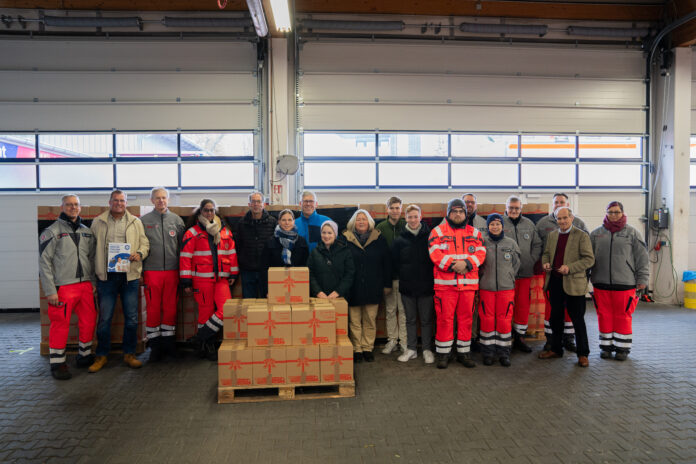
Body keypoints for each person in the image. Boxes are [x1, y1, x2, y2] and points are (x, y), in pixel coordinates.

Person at [89, 190, 149, 373]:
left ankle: (129, 354)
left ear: (126, 202)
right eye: (115, 200)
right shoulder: (98, 222)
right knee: (105, 319)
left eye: (122, 201)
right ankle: (101, 356)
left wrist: (139, 254)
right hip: (106, 277)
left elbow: (144, 244)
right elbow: (91, 251)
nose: (119, 203)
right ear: (109, 202)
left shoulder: (135, 222)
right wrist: (93, 276)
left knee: (131, 319)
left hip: (129, 276)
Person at [39, 194, 97, 380]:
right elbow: (44, 263)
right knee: (60, 325)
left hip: (86, 286)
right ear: (62, 207)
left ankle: (85, 356)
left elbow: (92, 259)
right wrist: (50, 290)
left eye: (76, 204)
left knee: (88, 321)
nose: (73, 207)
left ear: (80, 207)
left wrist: (93, 282)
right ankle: (57, 363)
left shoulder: (86, 231)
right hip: (63, 288)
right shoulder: (52, 231)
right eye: (69, 204)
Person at [429, 198, 486, 369]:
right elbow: (435, 253)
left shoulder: (475, 233)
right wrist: (456, 265)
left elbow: (481, 253)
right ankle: (443, 354)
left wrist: (467, 264)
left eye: (461, 211)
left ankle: (464, 353)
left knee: (466, 320)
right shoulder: (437, 232)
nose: (458, 214)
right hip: (445, 286)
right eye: (455, 211)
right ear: (448, 213)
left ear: (465, 213)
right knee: (445, 320)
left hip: (468, 287)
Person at [589, 201, 649, 361]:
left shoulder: (632, 233)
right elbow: (588, 258)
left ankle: (622, 348)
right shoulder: (595, 234)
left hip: (625, 283)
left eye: (616, 212)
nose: (613, 215)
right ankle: (606, 347)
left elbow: (642, 258)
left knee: (623, 316)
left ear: (622, 213)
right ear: (606, 213)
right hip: (600, 283)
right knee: (604, 315)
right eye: (610, 212)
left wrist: (642, 279)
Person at [180, 199, 238, 361]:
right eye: (206, 210)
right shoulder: (192, 233)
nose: (209, 213)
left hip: (221, 279)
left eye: (212, 210)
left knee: (225, 310)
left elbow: (231, 253)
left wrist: (233, 273)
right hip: (201, 280)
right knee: (205, 314)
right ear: (200, 212)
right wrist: (186, 280)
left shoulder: (225, 231)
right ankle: (207, 346)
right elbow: (185, 257)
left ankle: (199, 339)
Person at [539, 206, 594, 367]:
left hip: (574, 284)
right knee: (556, 319)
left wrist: (570, 267)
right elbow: (546, 254)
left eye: (565, 218)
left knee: (578, 320)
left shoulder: (581, 236)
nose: (562, 221)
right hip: (555, 282)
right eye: (559, 219)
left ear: (571, 218)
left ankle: (583, 354)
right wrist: (546, 263)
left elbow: (589, 259)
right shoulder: (552, 235)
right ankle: (556, 349)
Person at [141, 187, 185, 361]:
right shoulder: (143, 222)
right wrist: (141, 272)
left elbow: (183, 249)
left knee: (170, 308)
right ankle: (155, 347)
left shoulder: (177, 221)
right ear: (152, 200)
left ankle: (169, 344)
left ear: (168, 199)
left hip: (173, 271)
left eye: (164, 197)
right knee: (152, 308)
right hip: (152, 271)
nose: (161, 201)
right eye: (157, 198)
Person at [343, 209, 392, 363]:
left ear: (369, 222)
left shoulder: (379, 239)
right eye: (358, 219)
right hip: (353, 286)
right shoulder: (345, 239)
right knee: (355, 321)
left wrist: (387, 284)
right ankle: (357, 349)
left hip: (374, 285)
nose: (361, 222)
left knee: (370, 320)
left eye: (364, 219)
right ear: (353, 222)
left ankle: (367, 348)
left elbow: (387, 264)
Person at [391, 205, 435, 364]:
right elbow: (394, 263)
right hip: (407, 287)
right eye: (410, 217)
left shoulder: (431, 237)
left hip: (427, 287)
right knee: (409, 320)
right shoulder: (399, 241)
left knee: (425, 320)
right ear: (406, 219)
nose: (413, 220)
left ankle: (426, 349)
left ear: (421, 217)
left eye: (415, 216)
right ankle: (411, 349)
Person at [478, 214, 521, 367]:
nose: (495, 227)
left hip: (506, 288)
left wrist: (508, 277)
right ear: (488, 226)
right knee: (487, 320)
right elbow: (477, 264)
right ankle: (488, 353)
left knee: (504, 320)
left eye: (497, 224)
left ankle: (504, 353)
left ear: (502, 226)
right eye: (492, 224)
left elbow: (516, 264)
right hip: (486, 288)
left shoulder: (511, 243)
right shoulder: (482, 243)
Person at [502, 195, 543, 353]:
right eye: (511, 208)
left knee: (522, 306)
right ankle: (505, 338)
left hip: (525, 274)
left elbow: (537, 244)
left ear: (521, 209)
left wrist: (531, 259)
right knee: (505, 307)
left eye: (517, 208)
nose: (513, 210)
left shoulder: (529, 224)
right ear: (506, 208)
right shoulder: (499, 223)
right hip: (505, 275)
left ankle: (519, 337)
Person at [375, 196, 407, 355]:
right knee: (390, 310)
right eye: (392, 208)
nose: (395, 211)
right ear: (387, 209)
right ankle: (392, 340)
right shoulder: (380, 227)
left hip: (404, 278)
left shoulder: (406, 226)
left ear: (401, 209)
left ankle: (404, 341)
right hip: (388, 278)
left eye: (397, 208)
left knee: (403, 310)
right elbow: (378, 256)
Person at [235, 192, 277, 298]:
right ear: (249, 204)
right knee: (249, 303)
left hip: (267, 271)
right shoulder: (242, 224)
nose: (256, 204)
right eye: (253, 201)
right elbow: (238, 246)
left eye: (258, 201)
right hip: (248, 270)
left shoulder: (272, 222)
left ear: (264, 204)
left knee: (266, 302)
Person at [260, 209, 310, 296]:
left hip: (296, 284)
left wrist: (304, 287)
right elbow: (264, 269)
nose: (287, 223)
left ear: (294, 221)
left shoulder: (301, 241)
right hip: (275, 284)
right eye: (283, 220)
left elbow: (306, 266)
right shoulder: (270, 242)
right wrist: (267, 290)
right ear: (279, 221)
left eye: (289, 220)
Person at [307, 220, 354, 299]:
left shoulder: (345, 251)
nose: (326, 236)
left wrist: (338, 292)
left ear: (335, 234)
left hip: (340, 297)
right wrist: (318, 292)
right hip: (319, 298)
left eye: (330, 233)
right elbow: (310, 274)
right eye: (323, 232)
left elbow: (349, 274)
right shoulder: (314, 252)